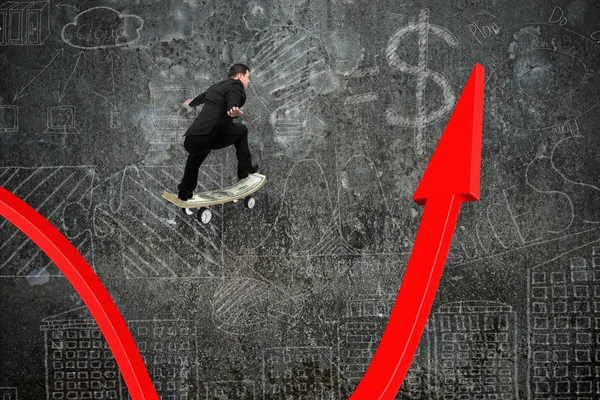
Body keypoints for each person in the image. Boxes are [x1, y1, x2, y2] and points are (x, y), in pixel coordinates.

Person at [177, 63, 258, 200]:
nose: (249, 81)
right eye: (247, 77)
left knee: (196, 156)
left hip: (192, 137)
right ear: (240, 76)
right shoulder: (235, 85)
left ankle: (185, 189)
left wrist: (190, 103)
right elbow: (234, 97)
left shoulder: (215, 87)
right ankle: (245, 171)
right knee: (242, 130)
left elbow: (202, 97)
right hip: (213, 133)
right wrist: (233, 109)